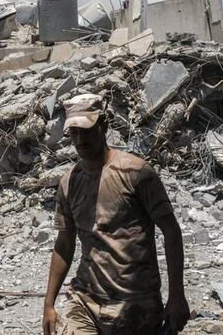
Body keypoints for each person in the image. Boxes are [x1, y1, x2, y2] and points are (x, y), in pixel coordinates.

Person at [42, 93, 190, 334]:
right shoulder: (69, 182)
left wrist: (177, 297)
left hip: (135, 303)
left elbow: (171, 231)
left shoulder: (136, 173)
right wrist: (49, 304)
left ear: (104, 125)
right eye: (74, 132)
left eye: (86, 129)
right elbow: (64, 244)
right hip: (86, 299)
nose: (80, 139)